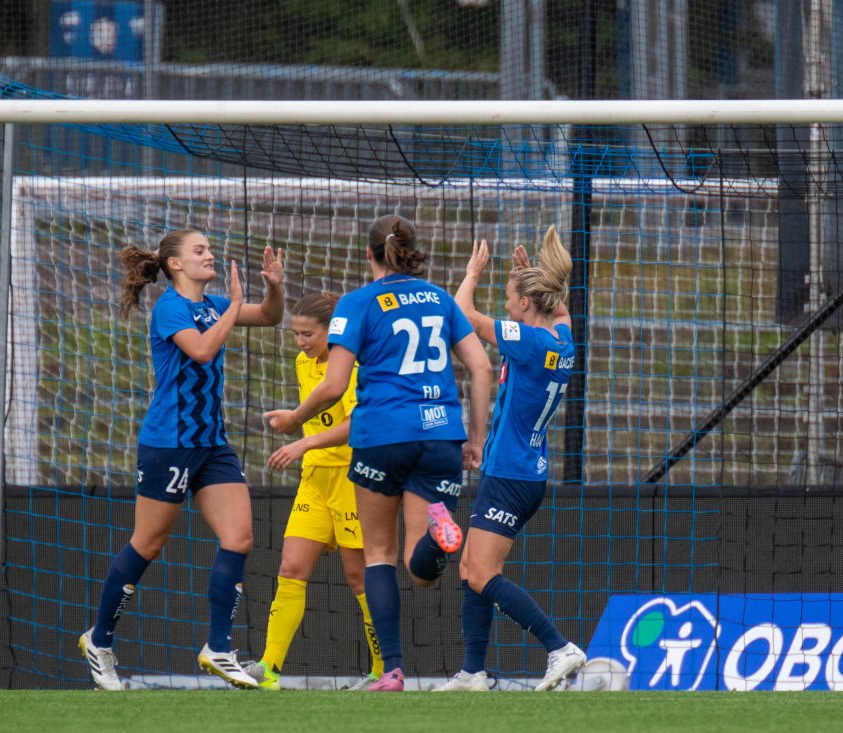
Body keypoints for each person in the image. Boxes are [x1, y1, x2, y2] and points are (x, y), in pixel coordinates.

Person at [265, 214, 492, 692]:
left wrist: (293, 420)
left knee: (379, 556)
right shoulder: (439, 299)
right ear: (413, 252)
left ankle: (391, 671)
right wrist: (475, 437)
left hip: (382, 437)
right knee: (421, 569)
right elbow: (480, 364)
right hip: (440, 434)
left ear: (368, 253)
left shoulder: (357, 303)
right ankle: (437, 534)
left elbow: (332, 386)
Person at [78, 228, 284, 690]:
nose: (210, 255)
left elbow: (270, 317)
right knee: (147, 544)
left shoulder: (213, 307)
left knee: (240, 537)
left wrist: (273, 286)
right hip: (169, 443)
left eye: (210, 248)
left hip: (211, 443)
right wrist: (233, 305)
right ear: (175, 264)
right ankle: (100, 641)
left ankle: (218, 647)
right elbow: (203, 350)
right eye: (200, 250)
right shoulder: (170, 308)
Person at [434, 226, 586, 693]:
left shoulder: (529, 342)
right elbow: (558, 308)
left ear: (524, 307)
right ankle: (472, 672)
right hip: (520, 471)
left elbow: (460, 314)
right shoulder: (561, 341)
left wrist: (472, 273)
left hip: (512, 473)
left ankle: (559, 647)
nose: (505, 303)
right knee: (468, 570)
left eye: (509, 297)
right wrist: (529, 277)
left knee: (481, 572)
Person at [243, 292, 384, 691]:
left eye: (308, 334)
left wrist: (303, 441)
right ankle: (269, 669)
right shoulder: (303, 362)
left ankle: (381, 671)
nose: (301, 341)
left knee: (360, 579)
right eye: (296, 334)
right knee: (291, 569)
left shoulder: (353, 365)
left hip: (351, 482)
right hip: (315, 481)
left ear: (330, 331)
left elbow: (358, 425)